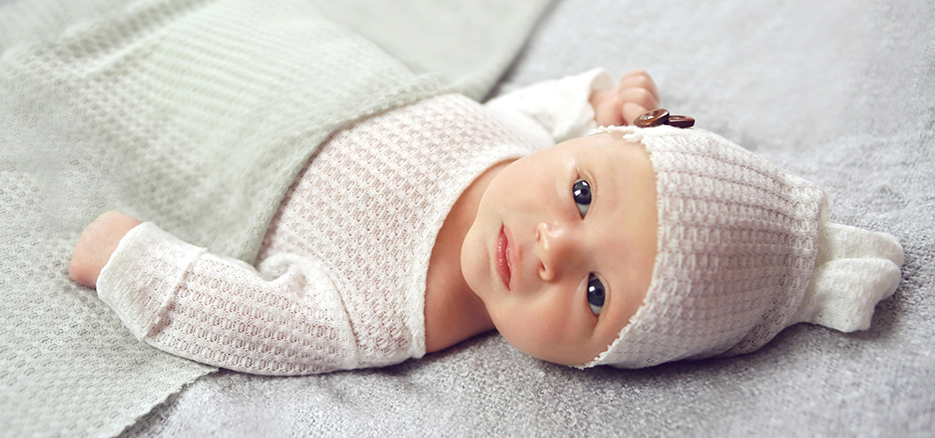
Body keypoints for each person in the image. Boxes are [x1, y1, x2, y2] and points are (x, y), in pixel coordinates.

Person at [69, 69, 903, 375]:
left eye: (595, 291)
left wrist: (132, 263)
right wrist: (603, 94)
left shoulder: (381, 317)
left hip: (207, 133)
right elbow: (562, 104)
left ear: (601, 362)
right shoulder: (521, 138)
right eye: (581, 196)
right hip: (302, 63)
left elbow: (252, 320)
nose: (553, 247)